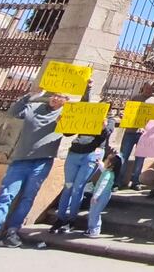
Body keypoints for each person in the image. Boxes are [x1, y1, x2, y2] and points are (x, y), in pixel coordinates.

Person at [0, 89, 70, 255]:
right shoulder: (34, 107)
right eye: (54, 94)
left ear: (66, 100)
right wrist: (29, 96)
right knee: (6, 195)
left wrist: (87, 90)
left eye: (59, 96)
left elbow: (73, 129)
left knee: (28, 197)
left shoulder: (65, 115)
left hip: (43, 161)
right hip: (20, 160)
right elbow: (13, 112)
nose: (55, 98)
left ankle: (13, 230)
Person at [51, 81, 115, 233]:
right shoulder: (87, 115)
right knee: (68, 186)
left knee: (78, 188)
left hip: (91, 155)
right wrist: (64, 123)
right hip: (74, 153)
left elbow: (107, 134)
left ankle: (71, 220)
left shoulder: (110, 120)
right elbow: (69, 132)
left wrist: (103, 127)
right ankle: (60, 218)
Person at [119, 80, 154, 189]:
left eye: (151, 89)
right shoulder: (135, 97)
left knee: (140, 159)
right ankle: (118, 181)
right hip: (130, 131)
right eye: (147, 88)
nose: (149, 90)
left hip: (144, 134)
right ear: (143, 87)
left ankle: (135, 181)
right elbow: (128, 111)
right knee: (123, 157)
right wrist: (124, 115)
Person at [86, 150, 123, 238]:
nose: (105, 161)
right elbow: (103, 169)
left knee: (94, 212)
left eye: (106, 160)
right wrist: (100, 163)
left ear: (110, 164)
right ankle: (92, 229)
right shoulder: (108, 172)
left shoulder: (108, 174)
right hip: (101, 195)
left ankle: (94, 230)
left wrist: (95, 196)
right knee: (94, 212)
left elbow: (102, 186)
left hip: (101, 195)